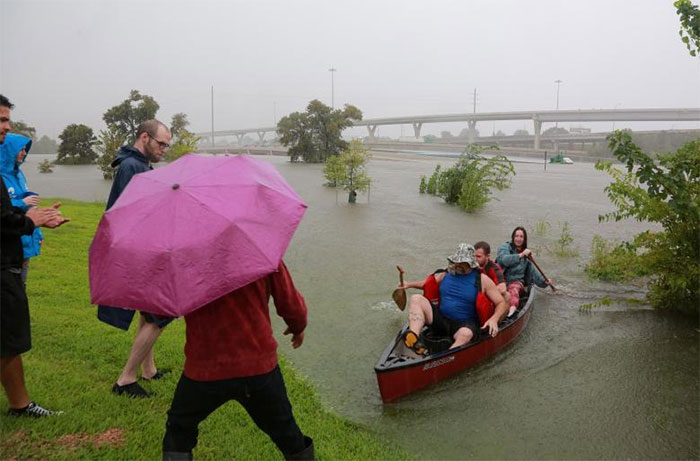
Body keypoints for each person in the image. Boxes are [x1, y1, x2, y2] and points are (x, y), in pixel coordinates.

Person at [162, 261, 314, 461]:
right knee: (286, 430)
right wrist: (297, 327)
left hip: (204, 368)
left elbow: (165, 303)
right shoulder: (263, 255)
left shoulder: (186, 260)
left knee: (179, 428)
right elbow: (292, 305)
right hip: (257, 367)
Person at [1, 94, 69, 417]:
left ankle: (20, 404)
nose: (7, 126)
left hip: (10, 264)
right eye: (1, 120)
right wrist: (29, 219)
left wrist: (35, 218)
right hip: (3, 268)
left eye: (7, 120)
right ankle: (21, 405)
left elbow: (5, 212)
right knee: (8, 340)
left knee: (8, 342)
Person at [96, 120, 174, 398]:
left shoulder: (137, 164)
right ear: (145, 137)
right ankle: (126, 379)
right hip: (138, 252)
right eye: (161, 143)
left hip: (141, 250)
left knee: (149, 310)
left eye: (167, 145)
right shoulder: (132, 167)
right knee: (162, 310)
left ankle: (148, 369)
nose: (164, 149)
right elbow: (132, 214)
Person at [398, 243, 507, 356]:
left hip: (464, 324)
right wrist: (409, 284)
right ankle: (414, 339)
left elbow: (501, 302)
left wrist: (494, 319)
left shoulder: (482, 280)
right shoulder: (445, 274)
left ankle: (444, 358)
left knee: (465, 334)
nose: (458, 265)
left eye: (462, 263)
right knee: (416, 298)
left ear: (470, 264)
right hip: (441, 319)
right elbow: (427, 284)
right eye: (457, 261)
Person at [0, 133, 43, 284]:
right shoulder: (1, 177)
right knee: (11, 288)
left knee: (20, 286)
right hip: (9, 244)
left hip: (25, 237)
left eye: (25, 149)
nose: (24, 153)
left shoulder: (19, 175)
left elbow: (29, 209)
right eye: (21, 149)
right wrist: (22, 202)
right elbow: (3, 210)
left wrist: (38, 234)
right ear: (9, 150)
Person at [496, 226, 552, 317]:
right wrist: (520, 255)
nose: (518, 239)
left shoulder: (526, 258)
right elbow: (503, 260)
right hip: (500, 280)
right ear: (513, 237)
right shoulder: (505, 247)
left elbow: (536, 276)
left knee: (514, 291)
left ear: (524, 239)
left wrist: (545, 282)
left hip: (516, 282)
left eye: (521, 236)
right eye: (516, 236)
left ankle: (510, 314)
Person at [474, 241, 510, 308]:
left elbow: (502, 289)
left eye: (479, 257)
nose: (475, 259)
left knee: (507, 296)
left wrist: (485, 292)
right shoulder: (472, 265)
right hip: (476, 296)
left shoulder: (494, 269)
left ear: (487, 256)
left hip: (490, 298)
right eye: (474, 256)